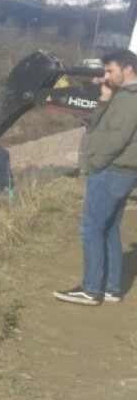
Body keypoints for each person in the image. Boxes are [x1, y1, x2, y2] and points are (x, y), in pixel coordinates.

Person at [54, 48, 137, 305]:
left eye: (110, 70)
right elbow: (96, 124)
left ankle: (90, 289)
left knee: (90, 227)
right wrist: (104, 96)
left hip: (112, 170)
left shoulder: (131, 98)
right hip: (122, 170)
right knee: (109, 228)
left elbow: (115, 137)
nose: (106, 75)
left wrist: (95, 164)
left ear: (128, 69)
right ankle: (111, 288)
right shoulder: (121, 95)